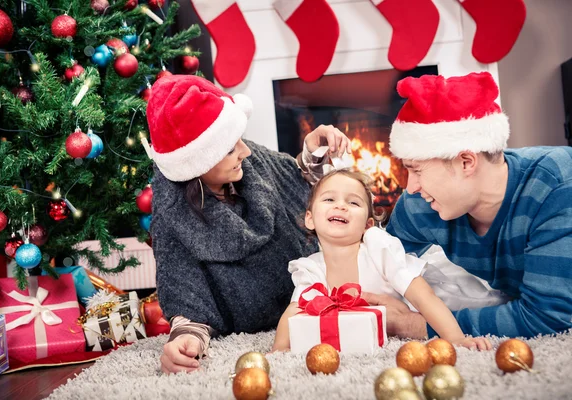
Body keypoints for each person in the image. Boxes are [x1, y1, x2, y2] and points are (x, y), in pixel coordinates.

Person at [145, 75, 351, 374]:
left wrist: (313, 152)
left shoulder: (251, 162)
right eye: (230, 149)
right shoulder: (174, 216)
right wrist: (186, 340)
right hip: (248, 327)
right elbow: (185, 295)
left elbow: (297, 178)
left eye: (240, 140)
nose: (246, 151)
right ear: (197, 164)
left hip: (306, 301)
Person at [365, 71, 572, 339]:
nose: (410, 186)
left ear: (466, 162)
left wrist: (411, 324)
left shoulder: (555, 186)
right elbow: (378, 268)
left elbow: (549, 316)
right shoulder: (419, 204)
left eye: (416, 170)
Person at [271, 169, 492, 352]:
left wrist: (455, 338)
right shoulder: (310, 268)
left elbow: (422, 294)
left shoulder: (377, 248)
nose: (341, 206)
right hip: (381, 323)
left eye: (353, 203)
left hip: (429, 305)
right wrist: (278, 352)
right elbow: (295, 310)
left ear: (367, 225)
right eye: (329, 199)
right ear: (310, 219)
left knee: (483, 301)